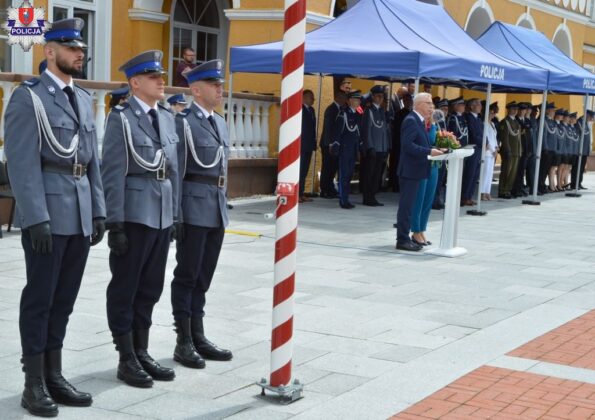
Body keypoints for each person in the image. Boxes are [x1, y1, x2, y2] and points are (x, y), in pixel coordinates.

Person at [4, 18, 105, 416]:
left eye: (81, 48)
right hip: (48, 213)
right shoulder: (28, 97)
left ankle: (54, 373)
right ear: (49, 52)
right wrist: (35, 218)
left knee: (64, 299)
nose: (80, 54)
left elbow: (91, 160)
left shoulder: (81, 99)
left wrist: (98, 210)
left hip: (79, 213)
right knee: (40, 299)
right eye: (71, 47)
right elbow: (22, 163)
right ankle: (33, 384)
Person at [102, 50, 180, 388]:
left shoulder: (165, 116)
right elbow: (113, 172)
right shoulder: (120, 118)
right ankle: (125, 356)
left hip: (161, 214)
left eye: (160, 76)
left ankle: (142, 349)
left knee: (151, 286)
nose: (161, 81)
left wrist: (175, 214)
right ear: (135, 83)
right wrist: (114, 223)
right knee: (126, 286)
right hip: (134, 215)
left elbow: (172, 171)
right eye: (153, 77)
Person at [171, 59, 233, 369]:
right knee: (188, 275)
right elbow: (177, 172)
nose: (220, 88)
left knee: (204, 276)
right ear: (196, 90)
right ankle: (183, 340)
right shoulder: (183, 123)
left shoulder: (219, 122)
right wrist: (177, 215)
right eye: (213, 84)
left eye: (219, 83)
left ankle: (198, 334)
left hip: (216, 207)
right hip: (193, 208)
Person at [396, 92, 443, 252]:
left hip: (416, 169)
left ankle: (408, 237)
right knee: (406, 207)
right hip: (410, 170)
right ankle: (402, 240)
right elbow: (407, 146)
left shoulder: (419, 121)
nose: (431, 107)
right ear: (419, 105)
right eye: (428, 103)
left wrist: (435, 149)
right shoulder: (411, 120)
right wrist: (429, 151)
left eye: (431, 104)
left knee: (409, 206)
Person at [410, 107, 440, 247]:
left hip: (433, 164)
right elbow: (429, 140)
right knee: (419, 199)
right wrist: (432, 125)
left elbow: (436, 140)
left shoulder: (434, 124)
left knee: (428, 199)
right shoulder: (418, 123)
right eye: (429, 109)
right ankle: (415, 230)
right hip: (422, 163)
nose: (431, 111)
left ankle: (422, 229)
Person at [361, 85, 390, 206]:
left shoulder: (381, 111)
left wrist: (385, 146)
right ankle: (367, 197)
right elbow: (366, 130)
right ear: (372, 96)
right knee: (369, 174)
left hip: (381, 148)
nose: (380, 98)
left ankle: (372, 195)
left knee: (377, 174)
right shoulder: (369, 111)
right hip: (372, 148)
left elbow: (384, 130)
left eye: (382, 96)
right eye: (378, 96)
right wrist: (370, 147)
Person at [333, 90, 363, 209]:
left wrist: (360, 148)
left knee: (349, 174)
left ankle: (346, 198)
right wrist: (335, 146)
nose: (358, 102)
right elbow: (337, 132)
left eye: (359, 100)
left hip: (353, 149)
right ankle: (343, 199)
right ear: (350, 101)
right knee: (344, 175)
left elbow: (358, 133)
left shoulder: (357, 115)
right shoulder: (343, 114)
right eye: (356, 100)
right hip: (345, 149)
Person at [319, 91, 346, 198]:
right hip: (328, 144)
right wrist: (330, 144)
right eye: (344, 98)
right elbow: (328, 128)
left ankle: (330, 188)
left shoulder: (339, 109)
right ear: (338, 97)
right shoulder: (332, 109)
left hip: (334, 144)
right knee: (327, 168)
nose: (345, 100)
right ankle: (324, 190)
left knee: (332, 168)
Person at [389, 93, 413, 192]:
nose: (409, 102)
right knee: (396, 164)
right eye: (406, 100)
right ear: (403, 101)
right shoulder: (399, 114)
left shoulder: (412, 113)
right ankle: (394, 184)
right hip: (399, 143)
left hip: (408, 143)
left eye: (410, 100)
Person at [461, 98, 483, 206]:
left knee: (475, 174)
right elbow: (474, 135)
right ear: (472, 106)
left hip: (479, 148)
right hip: (473, 148)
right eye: (478, 104)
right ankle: (464, 197)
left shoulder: (478, 119)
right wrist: (483, 142)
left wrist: (486, 142)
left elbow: (483, 133)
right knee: (469, 174)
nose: (480, 106)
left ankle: (469, 196)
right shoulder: (469, 118)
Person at [498, 102, 521, 199]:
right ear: (508, 110)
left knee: (513, 172)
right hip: (509, 151)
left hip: (515, 151)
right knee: (506, 171)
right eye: (513, 109)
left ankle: (508, 190)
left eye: (516, 109)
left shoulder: (516, 122)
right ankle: (502, 190)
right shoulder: (505, 122)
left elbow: (518, 138)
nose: (515, 111)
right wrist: (507, 150)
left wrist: (520, 150)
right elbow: (504, 138)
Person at [512, 102, 533, 197]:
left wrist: (530, 149)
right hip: (518, 149)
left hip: (526, 150)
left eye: (524, 110)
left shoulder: (527, 121)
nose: (522, 111)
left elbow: (529, 137)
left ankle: (520, 188)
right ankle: (515, 189)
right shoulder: (515, 120)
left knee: (522, 170)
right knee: (516, 171)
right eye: (520, 110)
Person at [299, 89, 317, 202]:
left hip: (309, 144)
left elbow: (312, 128)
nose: (313, 100)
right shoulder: (299, 109)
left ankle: (301, 193)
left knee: (305, 170)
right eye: (311, 97)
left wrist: (314, 142)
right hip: (301, 144)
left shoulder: (311, 110)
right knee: (299, 170)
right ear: (304, 97)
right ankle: (297, 194)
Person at [538, 103, 557, 194]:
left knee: (546, 169)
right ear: (548, 111)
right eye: (553, 110)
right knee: (542, 169)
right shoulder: (543, 120)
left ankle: (542, 184)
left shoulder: (551, 121)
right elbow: (544, 135)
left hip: (551, 149)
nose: (554, 112)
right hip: (546, 149)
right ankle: (539, 185)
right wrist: (545, 147)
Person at [572, 110, 594, 189]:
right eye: (591, 117)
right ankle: (574, 184)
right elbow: (578, 136)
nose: (592, 119)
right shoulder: (580, 122)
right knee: (577, 168)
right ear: (587, 115)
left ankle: (579, 183)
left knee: (581, 168)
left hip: (584, 150)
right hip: (579, 150)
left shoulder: (586, 123)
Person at [481, 104, 498, 200]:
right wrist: (492, 150)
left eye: (494, 113)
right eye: (491, 112)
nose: (493, 114)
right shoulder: (484, 124)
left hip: (493, 152)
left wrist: (496, 148)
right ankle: (482, 192)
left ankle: (488, 192)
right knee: (485, 172)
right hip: (487, 152)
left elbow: (494, 138)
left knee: (490, 173)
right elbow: (486, 138)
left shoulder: (492, 124)